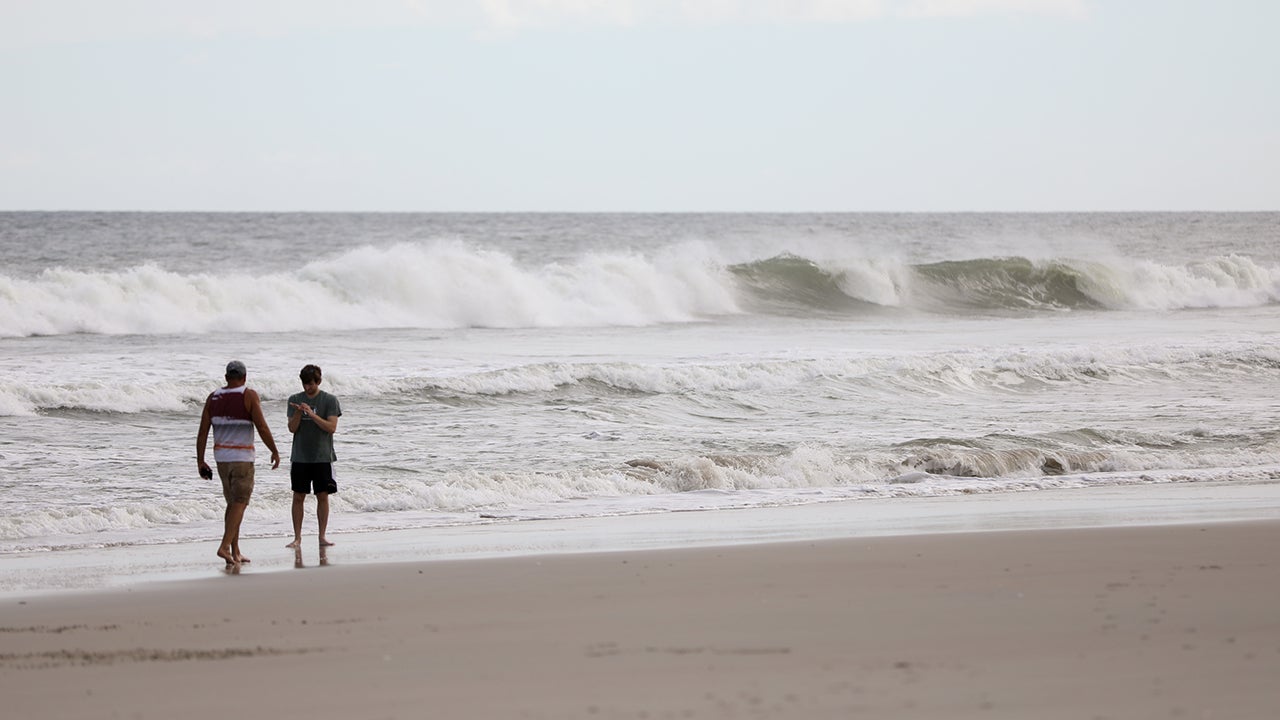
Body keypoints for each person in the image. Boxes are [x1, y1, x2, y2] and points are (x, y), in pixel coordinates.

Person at [196, 360, 281, 567]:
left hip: (221, 460)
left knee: (233, 504)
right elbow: (261, 425)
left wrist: (200, 460)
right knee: (240, 502)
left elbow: (203, 431)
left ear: (226, 377)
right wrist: (274, 450)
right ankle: (225, 547)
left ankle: (235, 552)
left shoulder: (213, 397)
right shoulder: (248, 395)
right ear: (244, 377)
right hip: (242, 459)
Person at [286, 364, 342, 549]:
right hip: (300, 456)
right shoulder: (294, 399)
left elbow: (331, 428)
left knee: (323, 496)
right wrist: (298, 413)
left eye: (310, 384)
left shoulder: (329, 400)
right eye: (304, 384)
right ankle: (297, 537)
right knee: (298, 496)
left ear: (318, 381)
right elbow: (292, 429)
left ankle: (322, 536)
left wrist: (311, 414)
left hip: (322, 456)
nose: (307, 387)